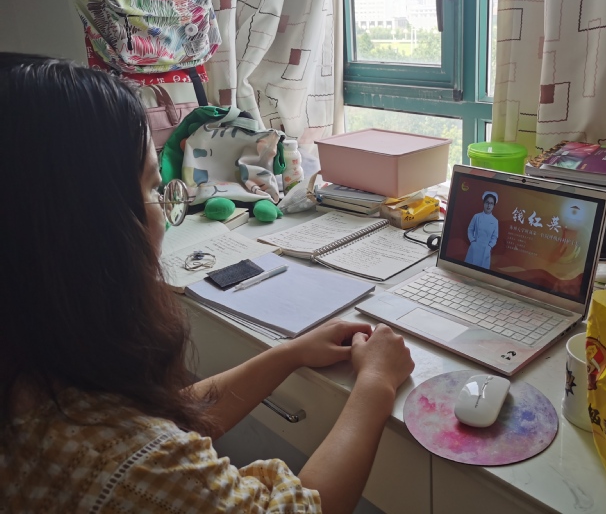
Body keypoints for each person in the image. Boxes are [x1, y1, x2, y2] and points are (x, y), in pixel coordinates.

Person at [0, 54, 415, 514]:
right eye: (152, 188)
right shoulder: (127, 465)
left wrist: (290, 353)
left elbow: (158, 419)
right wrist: (376, 384)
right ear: (88, 229)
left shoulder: (38, 387)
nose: (164, 214)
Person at [464, 191, 499, 269]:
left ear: (493, 205)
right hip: (475, 246)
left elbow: (495, 237)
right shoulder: (476, 217)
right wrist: (472, 241)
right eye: (487, 202)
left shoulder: (495, 221)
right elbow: (470, 229)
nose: (489, 205)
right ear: (484, 203)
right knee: (468, 269)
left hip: (485, 249)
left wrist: (489, 246)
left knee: (481, 271)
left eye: (491, 203)